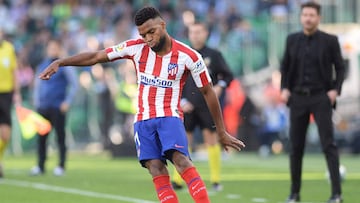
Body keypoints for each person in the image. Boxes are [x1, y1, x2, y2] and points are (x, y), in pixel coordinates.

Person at [39, 6, 245, 203]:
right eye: (143, 34)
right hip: (143, 121)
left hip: (169, 118)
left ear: (163, 25)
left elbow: (208, 92)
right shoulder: (135, 47)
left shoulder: (188, 56)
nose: (148, 38)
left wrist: (221, 130)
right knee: (155, 167)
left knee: (180, 161)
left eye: (151, 32)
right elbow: (96, 56)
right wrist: (61, 62)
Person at [280, 2, 345, 203]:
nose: (308, 18)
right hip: (297, 98)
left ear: (319, 18)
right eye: (305, 15)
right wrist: (284, 88)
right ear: (301, 17)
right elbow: (285, 66)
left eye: (312, 15)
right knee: (296, 147)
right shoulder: (292, 40)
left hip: (321, 97)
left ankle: (336, 194)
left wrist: (335, 90)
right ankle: (294, 193)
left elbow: (341, 68)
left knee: (329, 145)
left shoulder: (330, 40)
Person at [171, 22, 233, 191]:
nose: (195, 35)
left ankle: (215, 180)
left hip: (206, 104)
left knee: (211, 140)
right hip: (187, 106)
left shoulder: (214, 54)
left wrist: (220, 85)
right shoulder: (182, 54)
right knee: (183, 142)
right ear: (189, 34)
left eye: (199, 32)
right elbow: (173, 78)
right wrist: (181, 100)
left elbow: (228, 75)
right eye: (192, 32)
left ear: (206, 33)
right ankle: (178, 179)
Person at [31, 39, 78, 176]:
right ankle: (40, 166)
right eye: (50, 48)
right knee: (41, 138)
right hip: (43, 107)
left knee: (60, 137)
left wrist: (67, 102)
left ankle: (61, 165)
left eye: (55, 48)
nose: (52, 50)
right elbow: (37, 85)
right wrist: (37, 102)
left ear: (59, 49)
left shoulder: (63, 65)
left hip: (58, 106)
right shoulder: (42, 65)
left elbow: (74, 84)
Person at [0, 29, 21, 178]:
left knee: (5, 136)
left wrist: (17, 93)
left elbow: (14, 72)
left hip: (6, 95)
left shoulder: (9, 48)